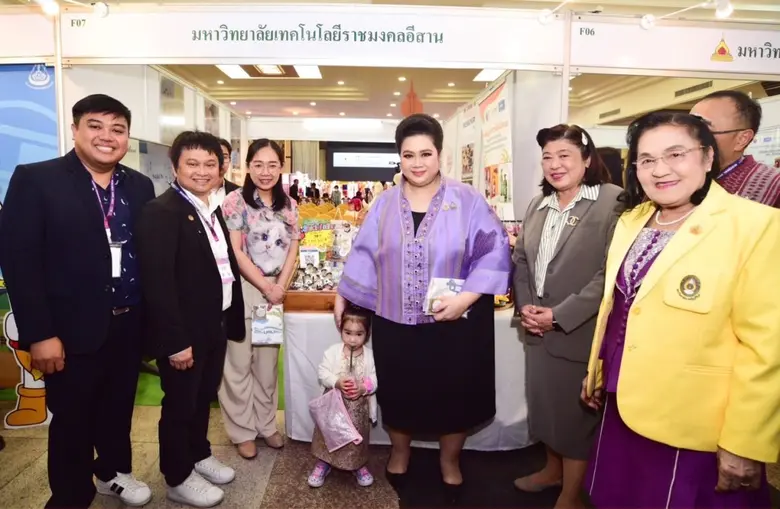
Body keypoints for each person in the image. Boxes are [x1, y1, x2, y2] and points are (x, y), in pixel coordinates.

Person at [581, 111, 780, 508]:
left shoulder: (756, 226)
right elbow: (619, 306)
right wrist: (597, 370)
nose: (661, 170)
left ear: (707, 158)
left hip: (695, 419)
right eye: (647, 159)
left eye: (676, 154)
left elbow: (767, 348)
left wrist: (744, 440)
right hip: (621, 405)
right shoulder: (634, 219)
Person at [336, 113, 511, 503]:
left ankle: (451, 460)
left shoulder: (467, 202)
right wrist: (343, 293)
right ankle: (400, 451)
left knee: (456, 395)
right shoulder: (382, 205)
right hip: (396, 323)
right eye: (408, 154)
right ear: (399, 157)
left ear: (440, 155)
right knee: (401, 392)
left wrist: (465, 298)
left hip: (455, 324)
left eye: (426, 153)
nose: (417, 163)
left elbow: (494, 250)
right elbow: (364, 254)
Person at [0, 94, 155, 509]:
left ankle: (112, 473)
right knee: (72, 420)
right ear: (75, 130)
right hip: (68, 330)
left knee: (118, 408)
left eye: (118, 129)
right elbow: (20, 262)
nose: (107, 136)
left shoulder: (139, 186)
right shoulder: (37, 179)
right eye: (96, 125)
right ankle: (70, 496)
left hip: (127, 323)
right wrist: (41, 333)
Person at [512, 124, 620, 507]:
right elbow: (522, 258)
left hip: (578, 331)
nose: (555, 165)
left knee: (575, 419)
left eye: (564, 156)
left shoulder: (613, 202)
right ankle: (551, 471)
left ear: (587, 160)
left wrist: (559, 315)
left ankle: (572, 495)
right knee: (545, 410)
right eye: (547, 157)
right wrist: (526, 306)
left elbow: (611, 272)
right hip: (537, 331)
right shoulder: (538, 203)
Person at [135, 131, 245, 507]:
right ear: (175, 167)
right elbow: (158, 283)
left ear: (221, 167)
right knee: (180, 404)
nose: (202, 171)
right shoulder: (161, 211)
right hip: (185, 332)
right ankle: (177, 475)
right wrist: (175, 341)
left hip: (213, 323)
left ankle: (198, 454)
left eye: (209, 164)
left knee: (202, 399)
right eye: (192, 164)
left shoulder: (209, 208)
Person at [218, 139, 300, 458]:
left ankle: (266, 425)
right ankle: (242, 430)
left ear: (281, 167)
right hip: (244, 288)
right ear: (248, 166)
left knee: (267, 364)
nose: (265, 172)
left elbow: (293, 248)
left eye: (272, 165)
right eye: (258, 165)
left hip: (276, 292)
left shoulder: (289, 205)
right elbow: (235, 251)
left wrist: (279, 286)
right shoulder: (234, 202)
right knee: (238, 362)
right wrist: (266, 288)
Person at [307, 305, 377, 488]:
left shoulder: (371, 356)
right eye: (348, 333)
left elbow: (377, 377)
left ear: (367, 334)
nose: (352, 339)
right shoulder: (332, 352)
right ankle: (324, 462)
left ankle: (357, 464)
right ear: (340, 330)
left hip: (358, 410)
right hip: (333, 407)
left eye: (359, 334)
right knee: (328, 436)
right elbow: (322, 373)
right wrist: (336, 382)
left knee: (356, 437)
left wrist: (364, 387)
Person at [690, 90, 780, 207]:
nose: (689, 137)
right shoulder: (677, 177)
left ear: (742, 139)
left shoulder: (773, 185)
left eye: (703, 129)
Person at [214, 138, 240, 208]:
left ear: (230, 160)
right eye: (216, 156)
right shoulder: (195, 190)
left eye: (224, 157)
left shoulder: (238, 192)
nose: (221, 161)